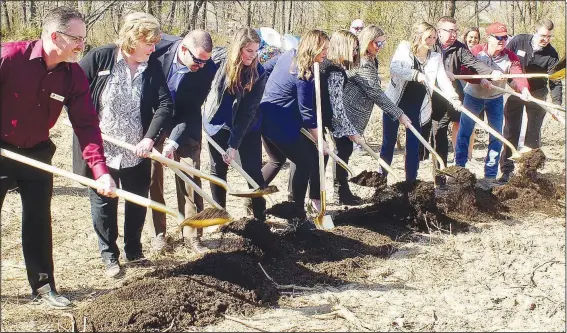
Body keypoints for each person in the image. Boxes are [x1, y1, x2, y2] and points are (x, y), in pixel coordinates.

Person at [0, 6, 116, 308]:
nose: (82, 45)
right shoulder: (10, 58)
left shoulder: (73, 75)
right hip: (1, 149)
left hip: (38, 151)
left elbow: (87, 125)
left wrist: (100, 170)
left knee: (38, 220)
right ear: (55, 36)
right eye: (76, 38)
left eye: (84, 38)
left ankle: (43, 286)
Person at [73, 12, 173, 278]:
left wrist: (149, 138)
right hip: (101, 149)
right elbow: (74, 89)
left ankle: (134, 250)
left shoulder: (152, 65)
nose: (153, 49)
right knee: (105, 204)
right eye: (149, 43)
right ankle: (109, 256)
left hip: (136, 151)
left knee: (137, 201)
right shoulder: (101, 58)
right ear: (133, 39)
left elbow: (165, 104)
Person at [149, 30, 217, 254]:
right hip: (154, 117)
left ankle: (192, 233)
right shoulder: (157, 49)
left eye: (205, 61)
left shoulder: (208, 68)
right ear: (183, 49)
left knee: (190, 175)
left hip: (185, 119)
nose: (201, 65)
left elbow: (191, 109)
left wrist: (174, 142)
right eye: (197, 60)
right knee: (152, 175)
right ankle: (158, 234)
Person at [427, 16, 503, 186]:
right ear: (439, 32)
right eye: (449, 31)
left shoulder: (459, 49)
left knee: (459, 127)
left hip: (453, 94)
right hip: (434, 97)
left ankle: (456, 170)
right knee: (438, 134)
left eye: (455, 31)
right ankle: (439, 178)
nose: (453, 34)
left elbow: (474, 63)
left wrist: (490, 73)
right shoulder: (431, 45)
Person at [260, 29, 330, 213]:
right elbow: (307, 114)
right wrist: (320, 141)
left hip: (265, 114)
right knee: (305, 161)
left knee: (276, 160)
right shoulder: (304, 74)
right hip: (280, 124)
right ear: (313, 48)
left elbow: (264, 69)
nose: (326, 53)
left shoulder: (287, 55)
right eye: (323, 49)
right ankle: (296, 211)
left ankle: (253, 197)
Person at [381, 22, 461, 181]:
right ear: (418, 36)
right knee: (388, 142)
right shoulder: (404, 48)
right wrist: (415, 74)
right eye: (428, 37)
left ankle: (410, 182)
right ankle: (382, 178)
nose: (431, 41)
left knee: (413, 145)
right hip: (395, 102)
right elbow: (394, 68)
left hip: (416, 106)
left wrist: (454, 98)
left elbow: (443, 81)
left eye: (434, 37)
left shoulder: (435, 57)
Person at [203, 28, 268, 220]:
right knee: (217, 170)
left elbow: (247, 111)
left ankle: (260, 218)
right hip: (217, 122)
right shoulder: (217, 61)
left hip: (247, 126)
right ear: (238, 48)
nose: (253, 55)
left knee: (252, 169)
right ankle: (220, 216)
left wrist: (234, 145)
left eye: (256, 51)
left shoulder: (259, 73)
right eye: (249, 51)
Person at [456, 22, 530, 182]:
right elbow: (464, 71)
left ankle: (490, 175)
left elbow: (518, 75)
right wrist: (480, 79)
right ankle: (459, 170)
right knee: (464, 133)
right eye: (499, 38)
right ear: (489, 38)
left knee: (496, 136)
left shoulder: (510, 57)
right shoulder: (475, 52)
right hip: (473, 97)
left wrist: (523, 89)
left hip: (495, 99)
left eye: (505, 37)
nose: (503, 41)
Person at [343, 25, 411, 194]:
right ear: (367, 42)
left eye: (383, 44)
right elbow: (376, 93)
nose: (380, 48)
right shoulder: (363, 63)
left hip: (358, 113)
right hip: (348, 113)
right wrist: (398, 113)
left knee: (345, 151)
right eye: (377, 44)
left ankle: (343, 191)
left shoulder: (371, 59)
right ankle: (341, 192)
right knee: (342, 151)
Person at [499, 19, 563, 183]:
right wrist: (514, 85)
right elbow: (505, 62)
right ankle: (506, 170)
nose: (545, 39)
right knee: (511, 130)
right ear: (535, 32)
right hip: (515, 90)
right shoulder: (519, 40)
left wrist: (556, 104)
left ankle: (529, 173)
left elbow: (555, 80)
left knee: (533, 134)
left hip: (538, 93)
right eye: (543, 35)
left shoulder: (551, 54)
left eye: (549, 36)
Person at [318, 30, 362, 204]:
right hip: (321, 116)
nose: (355, 53)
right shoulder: (334, 70)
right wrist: (350, 130)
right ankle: (334, 194)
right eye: (353, 48)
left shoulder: (328, 65)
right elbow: (336, 106)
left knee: (343, 148)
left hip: (323, 115)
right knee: (332, 151)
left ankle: (340, 191)